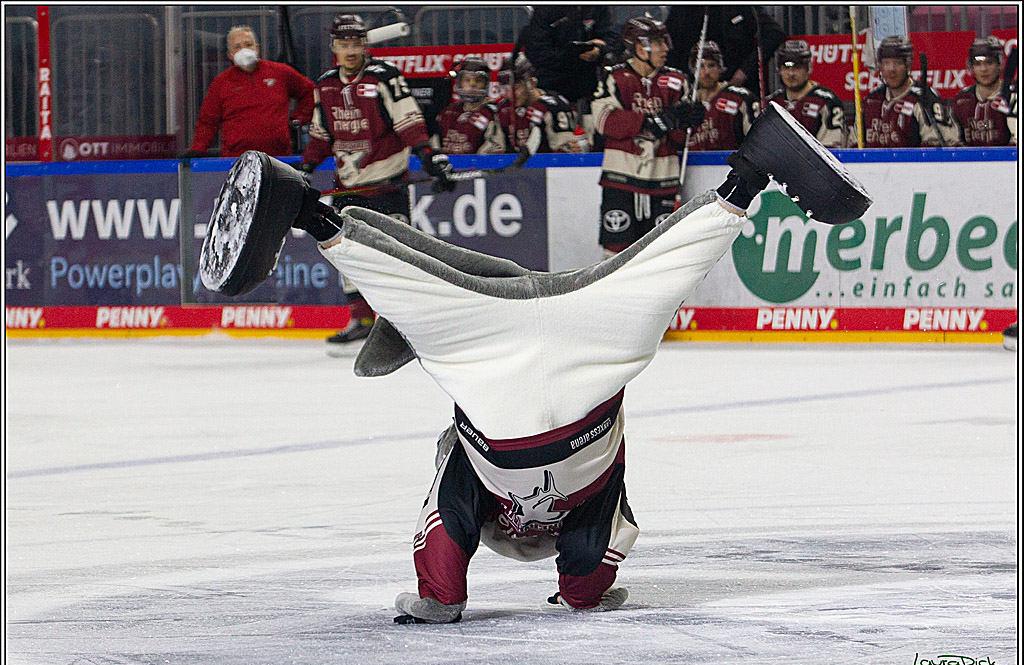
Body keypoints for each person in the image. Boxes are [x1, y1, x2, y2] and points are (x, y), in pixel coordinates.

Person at [200, 100, 872, 623]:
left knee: (660, 266)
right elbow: (495, 544)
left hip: (576, 352)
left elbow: (591, 560)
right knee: (417, 283)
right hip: (507, 359)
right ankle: (313, 215)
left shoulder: (567, 508)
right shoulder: (482, 492)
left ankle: (747, 176)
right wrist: (479, 593)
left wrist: (461, 599)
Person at [292, 14, 455, 350]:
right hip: (347, 186)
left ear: (365, 45)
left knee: (397, 254)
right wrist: (307, 166)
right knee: (345, 253)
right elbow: (321, 135)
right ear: (334, 46)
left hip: (386, 181)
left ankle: (405, 324)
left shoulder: (385, 78)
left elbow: (409, 121)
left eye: (356, 44)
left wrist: (429, 155)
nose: (350, 51)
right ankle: (361, 319)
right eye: (344, 44)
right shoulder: (324, 85)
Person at [590, 17, 706, 257]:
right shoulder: (614, 77)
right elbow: (604, 121)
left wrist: (688, 120)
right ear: (640, 48)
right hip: (621, 180)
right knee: (615, 255)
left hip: (663, 180)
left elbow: (679, 137)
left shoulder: (678, 81)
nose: (665, 48)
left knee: (660, 254)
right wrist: (649, 122)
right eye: (658, 42)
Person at [185, 26, 314, 158]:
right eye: (237, 47)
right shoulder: (221, 82)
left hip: (278, 158)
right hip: (236, 160)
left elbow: (311, 92)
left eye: (248, 44)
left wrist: (298, 120)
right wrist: (198, 149)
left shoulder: (280, 72)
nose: (244, 50)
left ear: (257, 48)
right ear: (230, 55)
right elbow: (207, 121)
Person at [665, 6, 785, 100]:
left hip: (738, 89)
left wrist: (743, 73)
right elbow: (669, 45)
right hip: (695, 91)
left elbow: (774, 34)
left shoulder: (741, 6)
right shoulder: (682, 9)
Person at [861, 35, 961, 148]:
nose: (891, 69)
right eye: (886, 63)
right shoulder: (871, 101)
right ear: (880, 66)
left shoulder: (924, 99)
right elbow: (854, 144)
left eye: (897, 63)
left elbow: (939, 148)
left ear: (908, 65)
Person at [520, 6, 618, 106]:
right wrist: (572, 55)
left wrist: (599, 49)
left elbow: (611, 39)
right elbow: (537, 51)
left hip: (589, 83)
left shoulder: (598, 7)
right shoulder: (545, 9)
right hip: (552, 83)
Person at [497, 54, 584, 156]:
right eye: (505, 89)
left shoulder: (554, 105)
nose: (510, 95)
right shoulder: (503, 109)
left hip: (550, 167)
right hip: (516, 169)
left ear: (531, 83)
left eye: (515, 88)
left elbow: (569, 150)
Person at [767, 40, 847, 148]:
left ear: (808, 68)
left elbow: (832, 150)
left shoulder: (827, 102)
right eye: (786, 68)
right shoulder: (772, 103)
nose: (791, 74)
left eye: (797, 67)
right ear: (779, 69)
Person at [686, 41, 759, 152]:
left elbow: (756, 142)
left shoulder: (740, 99)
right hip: (693, 167)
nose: (706, 72)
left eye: (711, 65)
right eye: (700, 66)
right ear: (693, 70)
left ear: (720, 67)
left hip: (729, 167)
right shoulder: (686, 102)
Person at [952, 36, 1018, 146]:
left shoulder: (1013, 98)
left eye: (989, 62)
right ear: (971, 67)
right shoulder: (961, 101)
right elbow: (953, 144)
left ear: (1000, 64)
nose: (983, 69)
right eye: (978, 64)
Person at [435, 56, 506, 155]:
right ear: (460, 83)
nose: (472, 85)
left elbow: (496, 150)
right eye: (467, 80)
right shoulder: (448, 113)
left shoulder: (493, 114)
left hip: (477, 168)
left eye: (478, 81)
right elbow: (434, 146)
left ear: (486, 84)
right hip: (447, 167)